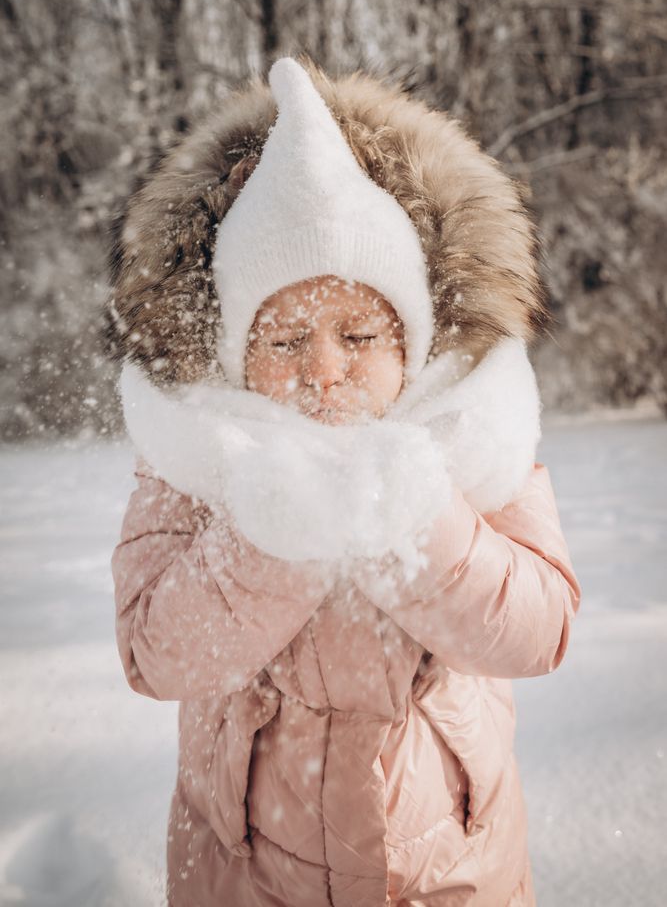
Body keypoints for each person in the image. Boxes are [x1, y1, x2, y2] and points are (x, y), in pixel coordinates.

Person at [109, 56, 580, 907]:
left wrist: (422, 517)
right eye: (285, 342)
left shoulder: (471, 433)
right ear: (237, 355)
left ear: (410, 342)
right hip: (247, 869)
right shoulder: (195, 455)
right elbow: (155, 656)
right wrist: (274, 529)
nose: (323, 372)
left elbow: (536, 633)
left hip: (449, 867)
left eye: (359, 336)